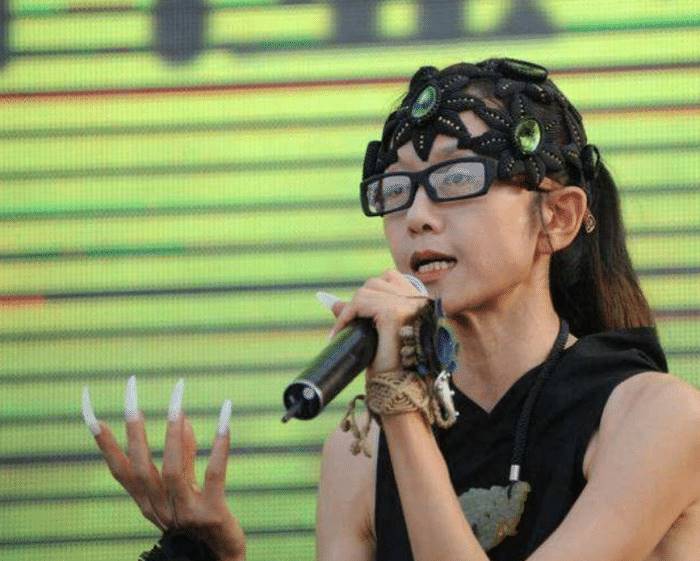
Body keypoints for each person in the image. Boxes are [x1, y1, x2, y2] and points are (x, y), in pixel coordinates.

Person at [81, 58, 700, 561]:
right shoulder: (361, 453)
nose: (417, 216)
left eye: (456, 180)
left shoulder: (654, 415)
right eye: (398, 191)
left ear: (558, 217)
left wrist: (402, 404)